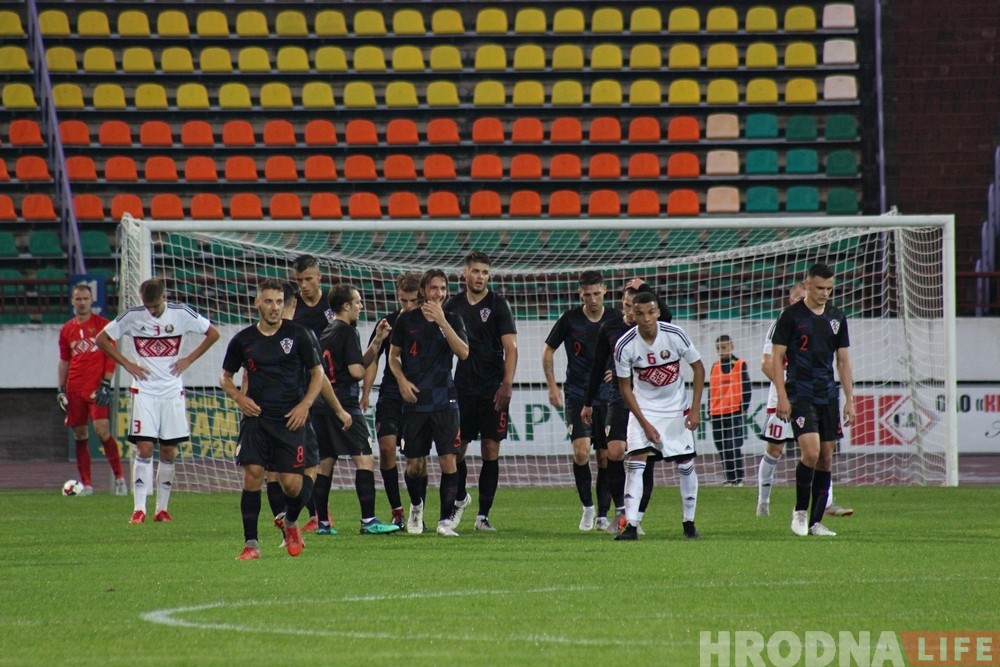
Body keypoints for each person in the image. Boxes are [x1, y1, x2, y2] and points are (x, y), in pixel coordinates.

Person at [221, 279, 351, 559]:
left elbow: (318, 374)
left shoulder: (300, 335)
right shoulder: (243, 340)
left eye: (279, 302)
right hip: (256, 419)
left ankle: (291, 521)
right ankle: (251, 544)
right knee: (253, 476)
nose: (274, 307)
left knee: (293, 485)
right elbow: (225, 377)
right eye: (268, 301)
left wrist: (305, 405)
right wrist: (238, 398)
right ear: (257, 303)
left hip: (290, 419)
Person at [96, 278, 220, 524]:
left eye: (154, 305)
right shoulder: (132, 317)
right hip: (144, 391)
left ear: (164, 297)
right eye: (147, 305)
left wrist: (188, 359)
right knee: (143, 447)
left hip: (172, 391)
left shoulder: (181, 314)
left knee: (168, 450)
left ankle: (162, 509)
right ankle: (139, 508)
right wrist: (127, 363)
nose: (151, 310)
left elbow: (213, 333)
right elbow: (101, 339)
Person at [582, 279, 673, 534]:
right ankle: (621, 510)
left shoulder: (657, 328)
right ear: (623, 302)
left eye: (637, 302)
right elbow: (599, 365)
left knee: (645, 457)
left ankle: (637, 517)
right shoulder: (610, 328)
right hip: (618, 398)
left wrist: (648, 288)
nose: (631, 308)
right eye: (627, 301)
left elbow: (668, 314)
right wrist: (588, 403)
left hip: (649, 401)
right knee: (614, 451)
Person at [771, 263, 855, 537]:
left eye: (829, 289)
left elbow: (843, 361)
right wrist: (782, 396)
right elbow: (776, 359)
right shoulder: (791, 316)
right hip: (800, 392)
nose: (824, 293)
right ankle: (799, 511)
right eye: (820, 288)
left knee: (826, 459)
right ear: (807, 284)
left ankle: (816, 522)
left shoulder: (837, 317)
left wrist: (849, 398)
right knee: (811, 452)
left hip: (828, 394)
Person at [613, 292, 705, 541]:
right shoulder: (625, 345)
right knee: (635, 463)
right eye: (639, 313)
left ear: (657, 312)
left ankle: (689, 523)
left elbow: (698, 368)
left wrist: (695, 409)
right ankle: (631, 526)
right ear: (632, 313)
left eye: (650, 312)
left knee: (685, 464)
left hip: (676, 409)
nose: (645, 318)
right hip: (644, 409)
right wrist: (645, 423)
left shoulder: (674, 334)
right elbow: (624, 388)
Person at [388, 269, 469, 537]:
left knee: (449, 460)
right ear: (424, 290)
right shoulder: (406, 321)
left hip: (445, 399)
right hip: (415, 401)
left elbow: (464, 353)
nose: (439, 293)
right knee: (414, 466)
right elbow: (393, 357)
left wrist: (443, 322)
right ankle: (416, 507)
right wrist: (401, 381)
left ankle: (444, 521)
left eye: (443, 288)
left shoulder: (453, 319)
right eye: (434, 288)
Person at [315, 283, 400, 534]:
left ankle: (323, 523)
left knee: (325, 463)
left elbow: (345, 363)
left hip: (323, 404)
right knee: (365, 459)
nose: (361, 306)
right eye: (358, 302)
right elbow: (355, 370)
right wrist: (363, 375)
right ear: (346, 306)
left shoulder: (327, 331)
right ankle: (368, 521)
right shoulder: (348, 332)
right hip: (345, 404)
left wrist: (377, 341)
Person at [444, 252, 518, 532]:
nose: (480, 277)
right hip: (461, 387)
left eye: (485, 272)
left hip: (492, 389)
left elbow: (511, 348)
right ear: (465, 273)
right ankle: (461, 496)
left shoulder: (498, 305)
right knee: (456, 451)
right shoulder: (453, 305)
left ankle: (483, 516)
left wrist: (507, 383)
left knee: (490, 449)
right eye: (475, 271)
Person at [543, 270, 619, 531]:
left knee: (606, 456)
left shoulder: (617, 318)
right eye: (587, 294)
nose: (593, 298)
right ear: (580, 294)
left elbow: (632, 348)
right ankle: (587, 508)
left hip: (608, 395)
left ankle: (602, 515)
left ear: (605, 291)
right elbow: (548, 351)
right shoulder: (570, 319)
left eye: (597, 293)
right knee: (581, 451)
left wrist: (619, 370)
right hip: (577, 393)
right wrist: (552, 386)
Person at [362, 273, 423, 530]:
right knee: (386, 450)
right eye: (403, 300)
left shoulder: (429, 320)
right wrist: (365, 392)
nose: (408, 306)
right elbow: (373, 359)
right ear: (398, 297)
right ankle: (397, 511)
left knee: (417, 460)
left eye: (412, 301)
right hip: (390, 391)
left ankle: (417, 510)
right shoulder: (388, 322)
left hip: (419, 394)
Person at [57, 283, 126, 496]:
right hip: (75, 388)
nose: (82, 303)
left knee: (102, 430)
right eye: (78, 299)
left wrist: (106, 383)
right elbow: (64, 361)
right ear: (72, 301)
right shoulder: (67, 329)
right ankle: (86, 484)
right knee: (79, 433)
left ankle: (120, 479)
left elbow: (111, 357)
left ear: (92, 300)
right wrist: (61, 389)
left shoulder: (103, 326)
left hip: (96, 388)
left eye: (85, 299)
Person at [289, 255, 335, 532]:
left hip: (333, 388)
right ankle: (316, 513)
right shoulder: (291, 306)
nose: (304, 285)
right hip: (300, 389)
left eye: (308, 279)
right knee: (306, 453)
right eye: (299, 281)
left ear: (319, 277)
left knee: (325, 454)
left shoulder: (333, 303)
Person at [709, 335, 751, 487]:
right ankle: (729, 478)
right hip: (716, 412)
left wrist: (744, 408)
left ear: (731, 347)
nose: (721, 351)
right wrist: (709, 408)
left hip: (733, 411)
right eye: (719, 348)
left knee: (732, 445)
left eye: (724, 347)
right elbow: (711, 390)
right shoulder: (714, 366)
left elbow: (746, 387)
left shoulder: (739, 365)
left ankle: (738, 478)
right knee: (721, 447)